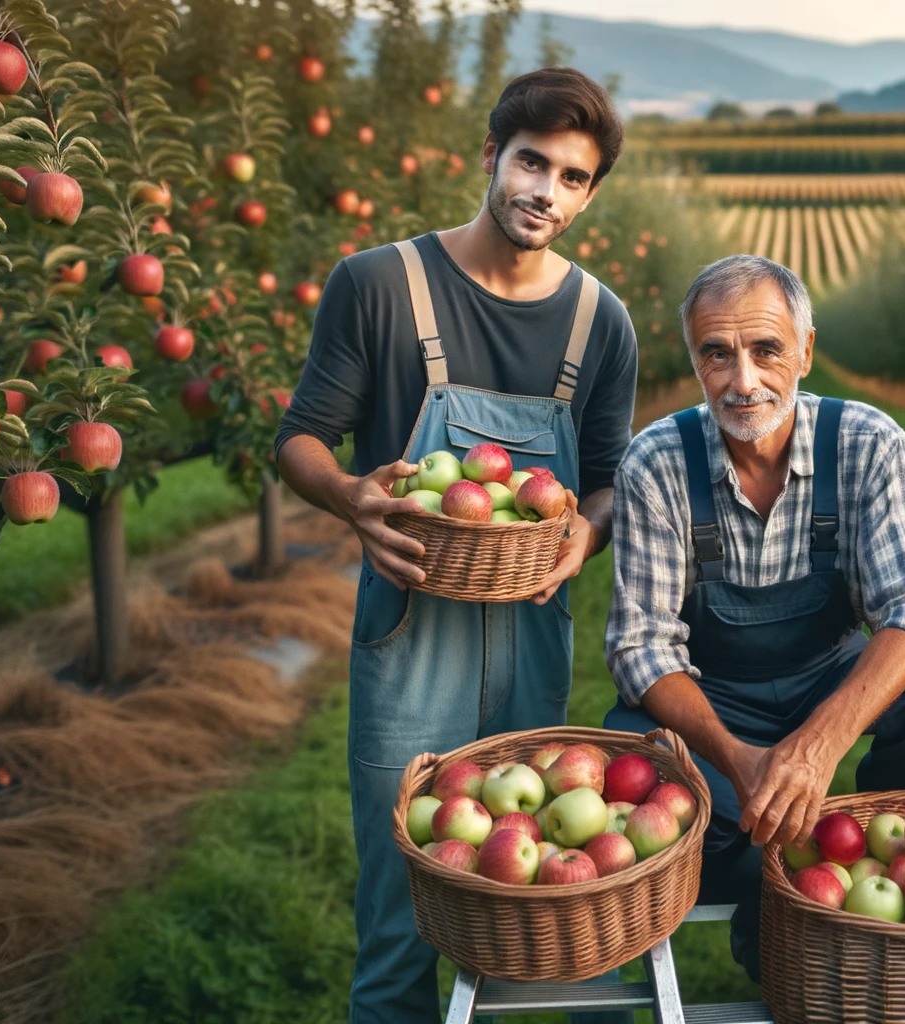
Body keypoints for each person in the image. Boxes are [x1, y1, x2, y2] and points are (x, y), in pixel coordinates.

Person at [274, 68, 637, 1024]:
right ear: (490, 155)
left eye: (571, 178)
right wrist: (350, 496)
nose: (544, 192)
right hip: (408, 637)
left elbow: (606, 481)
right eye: (531, 163)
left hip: (531, 634)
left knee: (526, 917)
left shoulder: (602, 323)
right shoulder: (378, 285)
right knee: (398, 922)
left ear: (589, 194)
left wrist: (587, 533)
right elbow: (299, 438)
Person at [603, 254, 905, 978]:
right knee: (639, 763)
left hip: (827, 677)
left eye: (766, 349)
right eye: (718, 354)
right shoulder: (657, 461)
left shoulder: (865, 442)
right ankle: (771, 897)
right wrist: (739, 758)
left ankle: (867, 844)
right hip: (712, 694)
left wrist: (820, 744)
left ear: (806, 352)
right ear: (694, 360)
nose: (743, 380)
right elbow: (641, 648)